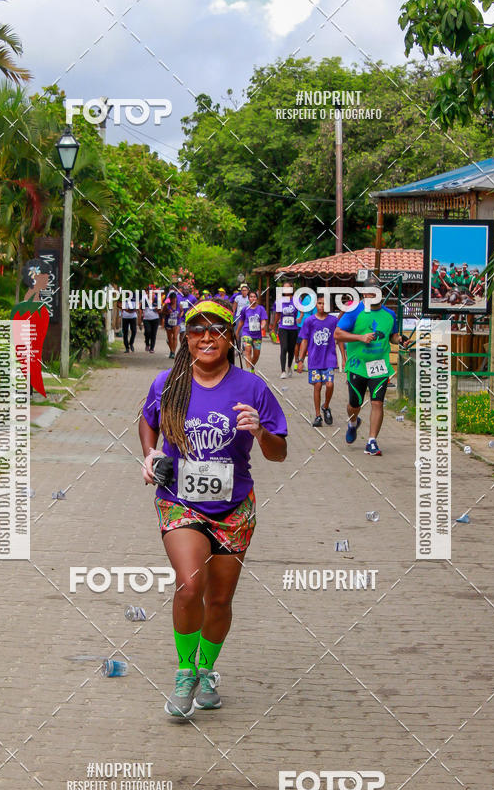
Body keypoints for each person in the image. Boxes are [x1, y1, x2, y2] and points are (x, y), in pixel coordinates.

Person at [139, 298, 288, 718]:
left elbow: (279, 453)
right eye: (197, 330)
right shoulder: (168, 384)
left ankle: (207, 669)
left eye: (217, 329)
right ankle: (185, 671)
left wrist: (260, 432)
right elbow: (147, 419)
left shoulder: (252, 387)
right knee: (190, 584)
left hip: (234, 508)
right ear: (186, 339)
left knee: (220, 601)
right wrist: (150, 453)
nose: (207, 337)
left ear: (230, 336)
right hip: (179, 502)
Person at [334, 277, 401, 456]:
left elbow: (393, 335)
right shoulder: (354, 310)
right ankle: (353, 422)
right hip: (357, 366)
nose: (373, 296)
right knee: (354, 404)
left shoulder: (390, 314)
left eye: (376, 292)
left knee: (377, 402)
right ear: (364, 294)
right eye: (369, 293)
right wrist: (360, 337)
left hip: (379, 366)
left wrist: (399, 339)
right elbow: (338, 334)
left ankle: (372, 441)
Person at [297, 293, 344, 426]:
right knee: (317, 386)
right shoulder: (309, 321)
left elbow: (339, 339)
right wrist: (300, 360)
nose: (322, 306)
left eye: (324, 303)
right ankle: (318, 415)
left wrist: (344, 358)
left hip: (329, 358)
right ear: (315, 305)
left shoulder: (333, 321)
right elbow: (304, 341)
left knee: (329, 384)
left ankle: (326, 406)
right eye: (319, 303)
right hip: (314, 359)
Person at [273, 284, 300, 378]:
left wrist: (300, 317)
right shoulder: (280, 300)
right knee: (284, 348)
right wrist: (273, 327)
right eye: (284, 288)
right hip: (283, 328)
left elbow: (302, 310)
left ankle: (289, 367)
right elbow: (277, 314)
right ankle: (283, 371)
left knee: (291, 349)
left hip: (293, 328)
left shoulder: (296, 300)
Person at [238, 290, 268, 372]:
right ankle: (249, 372)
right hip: (246, 333)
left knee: (256, 354)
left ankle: (251, 367)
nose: (253, 298)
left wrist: (262, 326)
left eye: (254, 297)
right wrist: (237, 332)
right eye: (251, 297)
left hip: (257, 335)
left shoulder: (261, 309)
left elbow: (264, 320)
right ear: (248, 298)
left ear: (257, 298)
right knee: (247, 351)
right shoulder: (245, 309)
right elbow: (241, 321)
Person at [140, 287, 161, 353]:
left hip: (155, 319)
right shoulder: (145, 300)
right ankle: (147, 344)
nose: (150, 295)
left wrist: (158, 309)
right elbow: (140, 309)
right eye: (149, 293)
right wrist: (141, 317)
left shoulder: (157, 300)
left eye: (152, 293)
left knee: (153, 334)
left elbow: (160, 310)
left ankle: (152, 348)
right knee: (148, 331)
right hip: (146, 319)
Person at [162, 290, 180, 359]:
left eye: (175, 299)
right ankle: (171, 350)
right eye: (172, 299)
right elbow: (163, 313)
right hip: (168, 323)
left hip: (176, 323)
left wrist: (180, 315)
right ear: (170, 299)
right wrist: (167, 313)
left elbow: (181, 312)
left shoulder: (179, 305)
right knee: (170, 338)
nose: (174, 300)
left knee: (175, 337)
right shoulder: (167, 306)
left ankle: (173, 352)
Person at [233, 284, 250, 350]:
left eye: (245, 290)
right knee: (238, 333)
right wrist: (232, 316)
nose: (244, 292)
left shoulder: (250, 298)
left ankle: (244, 347)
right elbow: (234, 308)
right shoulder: (238, 297)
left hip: (246, 318)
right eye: (242, 290)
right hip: (238, 317)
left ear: (248, 291)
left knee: (245, 333)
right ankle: (238, 347)